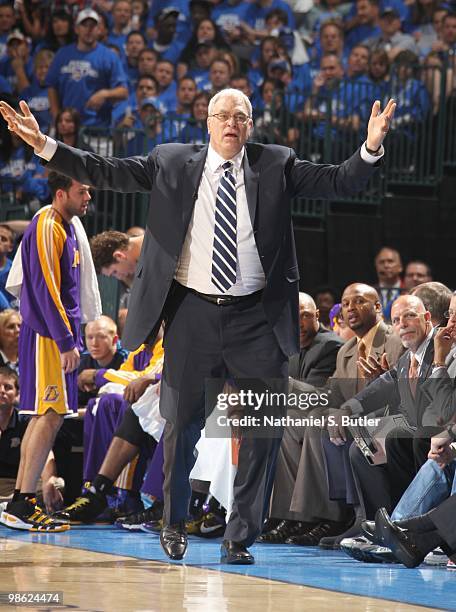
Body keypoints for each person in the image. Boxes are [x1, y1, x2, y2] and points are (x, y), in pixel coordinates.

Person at [0, 88, 395, 564]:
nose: (231, 123)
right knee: (180, 424)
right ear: (207, 123)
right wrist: (45, 144)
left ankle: (239, 538)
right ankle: (174, 521)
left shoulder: (277, 163)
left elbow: (338, 181)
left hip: (257, 317)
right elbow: (105, 171)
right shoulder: (171, 161)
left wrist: (370, 147)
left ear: (250, 126)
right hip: (192, 312)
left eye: (240, 117)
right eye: (222, 115)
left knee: (260, 431)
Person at [0, 172, 94, 532]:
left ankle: (22, 501)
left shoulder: (66, 226)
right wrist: (66, 341)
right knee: (50, 414)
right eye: (81, 191)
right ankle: (23, 502)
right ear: (60, 193)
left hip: (55, 334)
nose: (88, 197)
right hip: (48, 336)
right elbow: (44, 288)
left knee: (45, 415)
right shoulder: (47, 224)